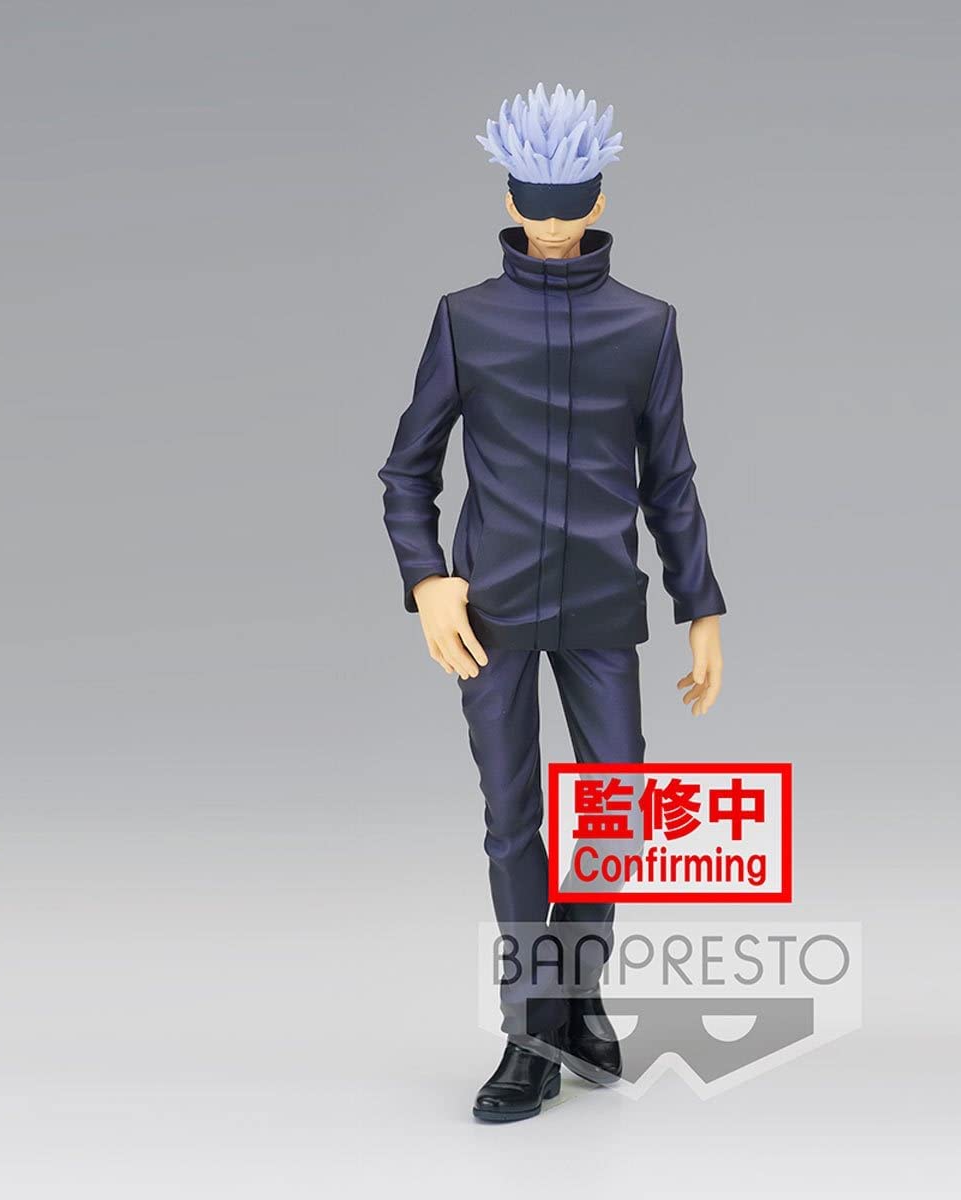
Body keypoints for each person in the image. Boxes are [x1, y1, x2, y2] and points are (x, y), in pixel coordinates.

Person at [378, 83, 726, 1122]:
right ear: (510, 200)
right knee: (512, 816)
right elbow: (406, 470)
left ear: (601, 200)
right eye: (539, 201)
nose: (555, 221)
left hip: (604, 600)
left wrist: (702, 606)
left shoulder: (646, 326)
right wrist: (427, 580)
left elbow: (670, 478)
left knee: (617, 801)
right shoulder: (466, 319)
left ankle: (574, 992)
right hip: (490, 606)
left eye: (572, 201)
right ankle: (530, 1032)